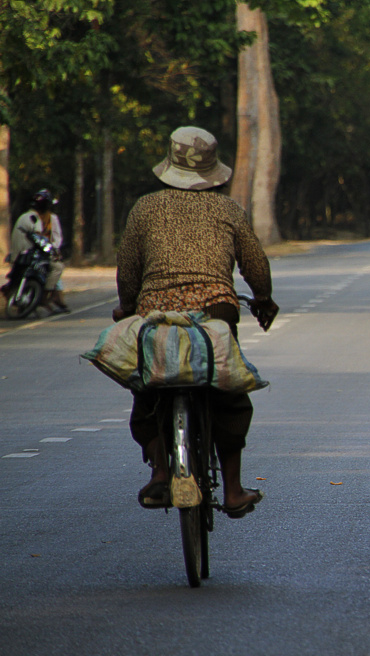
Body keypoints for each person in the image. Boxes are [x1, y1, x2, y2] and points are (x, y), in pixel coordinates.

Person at [113, 126, 279, 517]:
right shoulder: (228, 209)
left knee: (148, 390)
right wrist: (264, 299)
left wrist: (127, 305)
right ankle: (234, 490)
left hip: (155, 312)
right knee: (229, 393)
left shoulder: (145, 208)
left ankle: (160, 470)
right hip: (216, 312)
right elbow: (255, 264)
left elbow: (128, 270)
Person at [9, 189, 69, 313]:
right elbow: (39, 238)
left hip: (23, 254)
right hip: (31, 255)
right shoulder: (34, 218)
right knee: (57, 267)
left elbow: (55, 238)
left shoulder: (26, 217)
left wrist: (53, 248)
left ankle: (53, 297)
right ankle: (45, 296)